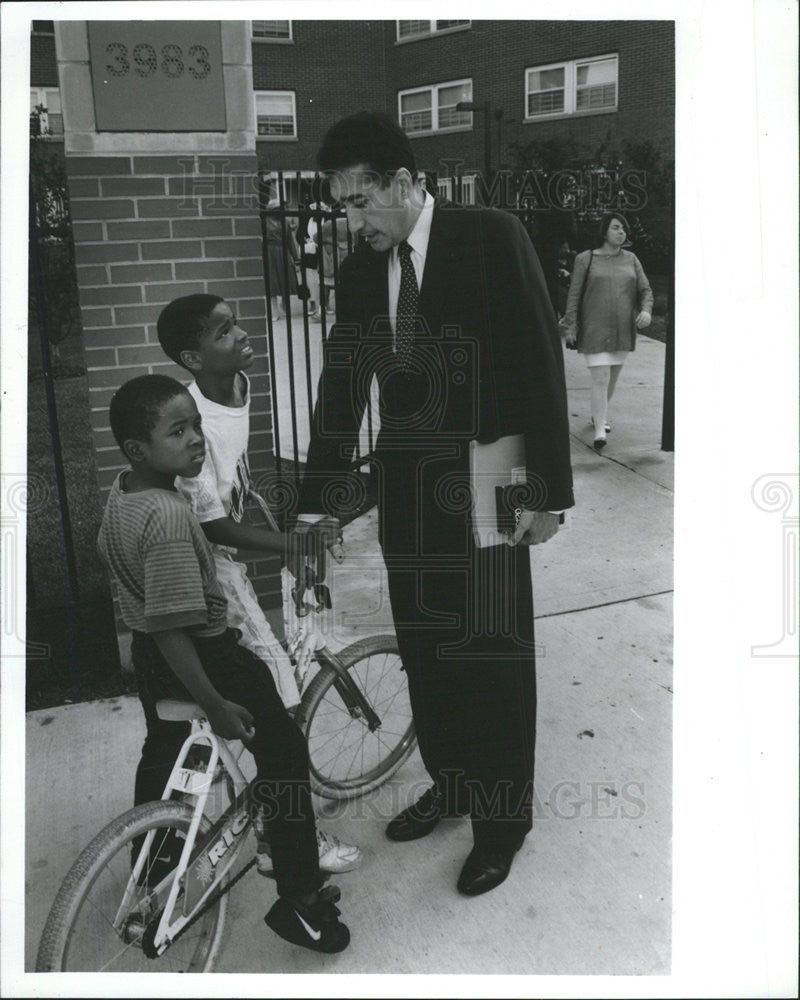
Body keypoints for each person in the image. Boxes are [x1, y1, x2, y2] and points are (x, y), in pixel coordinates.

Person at [298, 111, 574, 896]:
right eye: (342, 207)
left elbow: (536, 365)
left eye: (358, 203)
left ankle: (501, 820)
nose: (350, 221)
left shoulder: (490, 236)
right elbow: (343, 387)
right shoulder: (360, 272)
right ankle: (451, 784)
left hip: (493, 472)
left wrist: (547, 492)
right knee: (427, 648)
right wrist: (317, 503)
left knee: (490, 655)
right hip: (409, 483)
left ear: (404, 182)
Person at [97, 374, 350, 953]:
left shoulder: (123, 496)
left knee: (162, 751)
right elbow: (171, 623)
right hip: (206, 656)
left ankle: (152, 866)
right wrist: (215, 701)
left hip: (152, 658)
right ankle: (302, 899)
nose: (196, 439)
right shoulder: (168, 515)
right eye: (178, 430)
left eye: (196, 425)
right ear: (139, 449)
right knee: (283, 754)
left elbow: (148, 619)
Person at [154, 292, 361, 875]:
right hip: (204, 569)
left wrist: (284, 528)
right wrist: (294, 543)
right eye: (224, 332)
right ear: (194, 359)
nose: (242, 334)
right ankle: (286, 836)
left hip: (223, 554)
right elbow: (212, 522)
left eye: (236, 323)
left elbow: (240, 487)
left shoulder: (239, 387)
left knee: (268, 694)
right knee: (280, 705)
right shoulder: (193, 416)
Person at [561, 212, 654, 451]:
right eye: (615, 228)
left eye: (623, 228)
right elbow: (574, 295)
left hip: (623, 330)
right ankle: (600, 429)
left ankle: (597, 416)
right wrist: (570, 325)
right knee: (600, 378)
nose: (621, 232)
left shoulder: (632, 259)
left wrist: (646, 311)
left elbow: (645, 290)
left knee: (611, 379)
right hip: (594, 329)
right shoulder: (585, 259)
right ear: (604, 232)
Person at [264, 190, 299, 318]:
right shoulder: (264, 222)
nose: (281, 210)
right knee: (272, 283)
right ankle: (274, 312)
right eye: (279, 208)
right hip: (270, 253)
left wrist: (296, 258)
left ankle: (285, 304)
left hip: (283, 252)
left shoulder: (285, 222)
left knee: (286, 281)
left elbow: (290, 240)